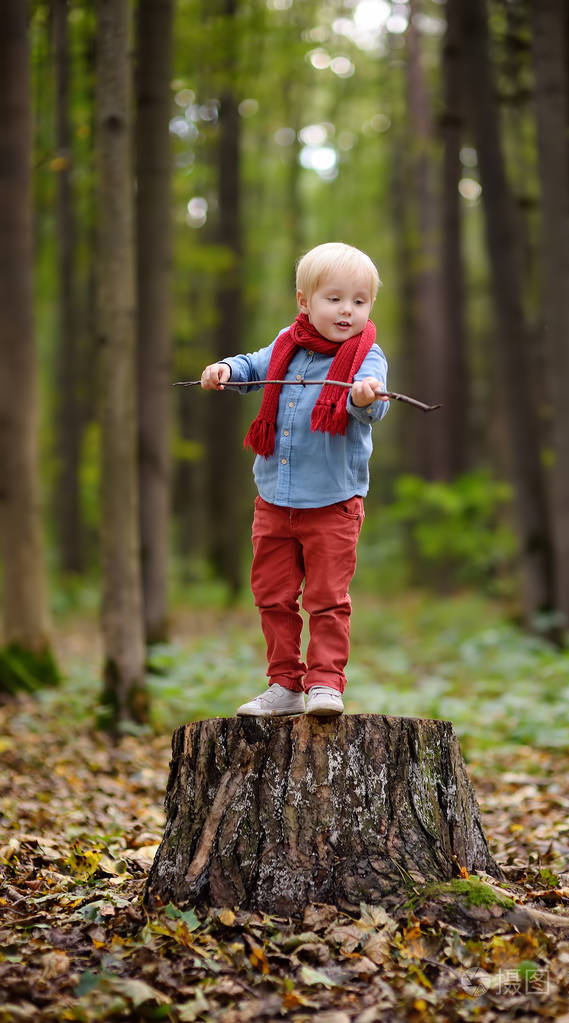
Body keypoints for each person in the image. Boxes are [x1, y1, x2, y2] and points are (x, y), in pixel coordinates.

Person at [200, 242, 389, 718]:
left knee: (327, 598)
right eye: (335, 299)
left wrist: (365, 399)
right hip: (275, 500)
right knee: (272, 594)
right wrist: (227, 369)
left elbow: (372, 406)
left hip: (332, 503)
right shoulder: (287, 345)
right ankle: (284, 682)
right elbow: (252, 367)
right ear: (305, 301)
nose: (347, 310)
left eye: (359, 301)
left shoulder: (366, 356)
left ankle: (325, 683)